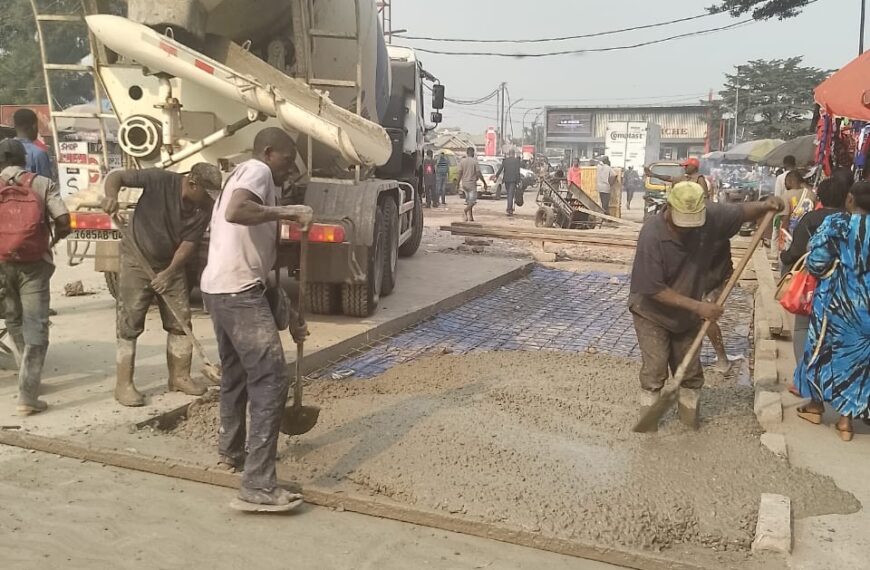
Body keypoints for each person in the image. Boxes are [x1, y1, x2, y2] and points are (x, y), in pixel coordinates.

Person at [200, 127, 313, 508]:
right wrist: (288, 211)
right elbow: (236, 212)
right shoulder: (257, 171)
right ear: (269, 152)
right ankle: (259, 485)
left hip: (220, 289)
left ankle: (232, 451)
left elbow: (261, 264)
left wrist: (288, 314)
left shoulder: (241, 175)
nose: (289, 169)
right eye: (287, 159)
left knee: (236, 374)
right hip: (236, 292)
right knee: (270, 379)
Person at [629, 181, 783, 429]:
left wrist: (766, 205)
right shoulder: (652, 234)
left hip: (688, 313)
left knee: (689, 372)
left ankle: (689, 419)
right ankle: (649, 420)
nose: (687, 229)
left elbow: (742, 211)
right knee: (655, 369)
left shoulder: (710, 216)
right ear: (669, 209)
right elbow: (653, 289)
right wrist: (700, 307)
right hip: (652, 313)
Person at [101, 163, 223, 407]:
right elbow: (116, 177)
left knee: (180, 320)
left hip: (170, 263)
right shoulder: (159, 179)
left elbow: (189, 242)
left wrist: (169, 273)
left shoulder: (205, 207)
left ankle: (179, 376)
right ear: (192, 183)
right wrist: (111, 197)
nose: (209, 200)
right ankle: (123, 384)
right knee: (130, 321)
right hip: (137, 257)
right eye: (206, 193)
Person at [793, 181, 870, 441]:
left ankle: (815, 406)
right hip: (866, 309)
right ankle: (846, 420)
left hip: (835, 304)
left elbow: (815, 263)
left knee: (820, 351)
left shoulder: (839, 224)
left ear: (850, 199)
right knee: (859, 360)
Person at [0, 139, 70, 415]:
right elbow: (64, 220)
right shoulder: (41, 183)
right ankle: (28, 394)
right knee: (36, 325)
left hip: (2, 265)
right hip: (34, 265)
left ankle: (25, 378)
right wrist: (51, 241)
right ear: (23, 158)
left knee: (14, 319)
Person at [781, 177, 849, 365]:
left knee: (802, 328)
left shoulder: (810, 219)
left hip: (812, 284)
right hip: (843, 286)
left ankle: (802, 374)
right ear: (846, 198)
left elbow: (795, 252)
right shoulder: (852, 221)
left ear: (820, 197)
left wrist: (784, 257)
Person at [776, 170, 816, 273]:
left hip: (791, 235)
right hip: (808, 235)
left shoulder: (786, 196)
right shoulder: (811, 194)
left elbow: (785, 219)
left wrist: (782, 240)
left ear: (790, 181)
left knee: (787, 265)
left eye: (785, 182)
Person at [13, 109, 52, 179]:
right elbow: (46, 185)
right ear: (34, 126)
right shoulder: (38, 154)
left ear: (14, 125)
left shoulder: (4, 150)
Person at [457, 147, 486, 222]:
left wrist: (457, 183)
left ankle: (470, 217)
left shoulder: (462, 161)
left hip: (464, 184)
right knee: (473, 201)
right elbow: (478, 173)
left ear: (467, 153)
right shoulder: (474, 162)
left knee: (469, 201)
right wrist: (484, 182)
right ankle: (465, 211)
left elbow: (460, 173)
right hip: (471, 184)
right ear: (472, 152)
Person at [495, 149, 522, 216]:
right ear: (514, 154)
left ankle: (509, 208)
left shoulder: (505, 161)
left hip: (506, 180)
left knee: (509, 194)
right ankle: (509, 209)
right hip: (513, 180)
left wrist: (496, 176)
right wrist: (518, 181)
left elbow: (500, 169)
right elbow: (517, 172)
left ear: (509, 154)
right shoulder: (516, 161)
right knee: (511, 194)